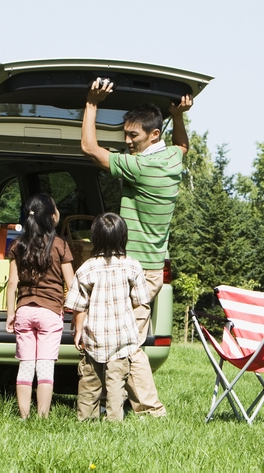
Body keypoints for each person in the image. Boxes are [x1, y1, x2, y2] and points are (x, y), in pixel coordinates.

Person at [79, 78, 193, 418]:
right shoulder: (173, 160)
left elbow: (89, 148)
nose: (127, 142)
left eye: (134, 136)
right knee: (130, 339)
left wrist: (91, 103)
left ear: (153, 136)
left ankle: (150, 408)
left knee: (129, 343)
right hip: (152, 267)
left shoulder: (142, 166)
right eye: (126, 135)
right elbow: (182, 145)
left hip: (136, 271)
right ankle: (145, 407)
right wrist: (180, 117)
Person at [65, 212, 150, 421]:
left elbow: (79, 305)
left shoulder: (86, 268)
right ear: (123, 237)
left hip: (93, 336)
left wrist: (78, 332)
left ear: (95, 238)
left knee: (89, 382)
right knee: (116, 383)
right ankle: (114, 421)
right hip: (122, 338)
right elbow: (140, 300)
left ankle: (85, 419)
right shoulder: (133, 265)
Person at [4, 193, 75, 419]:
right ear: (52, 217)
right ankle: (43, 417)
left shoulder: (18, 245)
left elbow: (12, 283)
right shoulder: (60, 245)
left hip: (24, 311)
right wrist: (76, 312)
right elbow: (71, 283)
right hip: (50, 313)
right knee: (45, 368)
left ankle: (24, 417)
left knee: (25, 366)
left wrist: (10, 314)